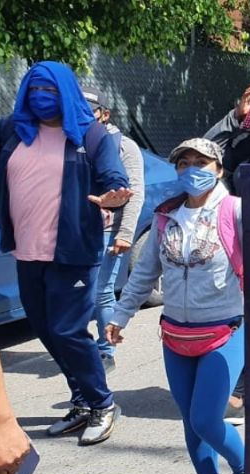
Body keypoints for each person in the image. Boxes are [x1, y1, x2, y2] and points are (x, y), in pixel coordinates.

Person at [106, 138, 250, 474]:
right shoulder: (165, 217)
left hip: (226, 330)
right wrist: (120, 316)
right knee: (191, 423)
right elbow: (143, 274)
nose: (193, 169)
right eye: (184, 162)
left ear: (219, 169)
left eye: (201, 162)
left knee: (207, 419)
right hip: (175, 335)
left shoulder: (237, 211)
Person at [0, 61, 131, 445]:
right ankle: (82, 401)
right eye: (35, 90)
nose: (42, 98)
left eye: (51, 91)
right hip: (26, 249)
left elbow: (114, 177)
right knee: (45, 329)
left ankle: (103, 403)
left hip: (72, 249)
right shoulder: (13, 130)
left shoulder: (89, 135)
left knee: (68, 330)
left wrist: (114, 195)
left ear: (67, 93)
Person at [82, 87, 146, 374]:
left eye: (90, 110)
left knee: (102, 292)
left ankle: (105, 351)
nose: (84, 116)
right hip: (79, 230)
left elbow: (135, 193)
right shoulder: (72, 142)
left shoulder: (124, 147)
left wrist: (125, 234)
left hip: (111, 230)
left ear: (104, 114)